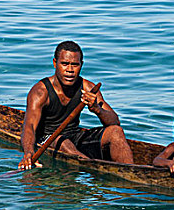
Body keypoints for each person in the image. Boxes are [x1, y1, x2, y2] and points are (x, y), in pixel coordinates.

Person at [18, 41, 134, 169]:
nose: (70, 70)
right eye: (65, 64)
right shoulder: (40, 92)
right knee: (64, 143)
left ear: (81, 65)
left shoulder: (88, 87)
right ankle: (95, 169)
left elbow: (114, 122)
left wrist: (97, 109)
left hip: (75, 135)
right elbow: (29, 126)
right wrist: (28, 153)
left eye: (75, 65)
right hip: (48, 139)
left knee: (116, 132)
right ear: (55, 63)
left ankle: (130, 171)